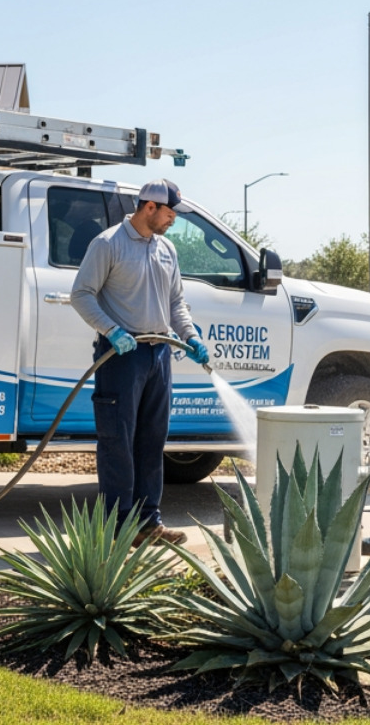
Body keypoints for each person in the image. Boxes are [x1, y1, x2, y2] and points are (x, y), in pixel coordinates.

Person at [70, 179, 211, 545]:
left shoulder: (166, 250)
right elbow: (81, 294)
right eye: (169, 213)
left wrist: (191, 335)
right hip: (120, 357)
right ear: (150, 207)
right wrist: (112, 330)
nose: (172, 220)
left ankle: (149, 523)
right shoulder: (108, 244)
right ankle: (118, 529)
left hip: (158, 355)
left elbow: (177, 302)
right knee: (118, 443)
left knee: (152, 441)